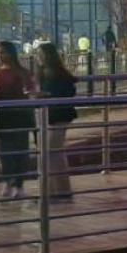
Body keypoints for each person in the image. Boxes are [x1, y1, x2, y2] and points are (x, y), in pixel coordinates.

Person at [0, 41, 36, 199]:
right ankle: (8, 181)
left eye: (4, 52)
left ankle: (19, 185)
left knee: (20, 150)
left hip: (20, 114)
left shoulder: (23, 72)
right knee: (3, 151)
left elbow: (31, 89)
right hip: (1, 115)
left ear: (12, 53)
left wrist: (28, 93)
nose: (1, 56)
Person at [37, 43, 79, 200]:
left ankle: (61, 191)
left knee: (53, 153)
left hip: (59, 116)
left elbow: (67, 92)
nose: (38, 57)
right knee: (50, 153)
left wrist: (47, 95)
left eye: (41, 54)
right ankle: (53, 191)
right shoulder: (42, 72)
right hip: (48, 116)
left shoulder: (59, 74)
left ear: (49, 56)